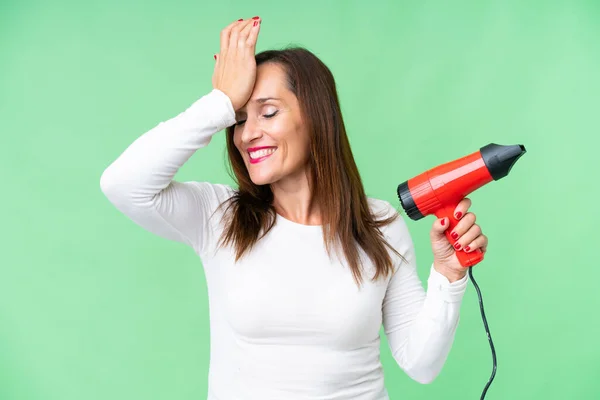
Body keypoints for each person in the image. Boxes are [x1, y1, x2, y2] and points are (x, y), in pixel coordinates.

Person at [100, 16, 488, 400]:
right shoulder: (219, 216)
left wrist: (448, 276)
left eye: (268, 112)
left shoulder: (380, 224)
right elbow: (123, 184)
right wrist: (218, 104)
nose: (247, 133)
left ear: (316, 117)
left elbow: (422, 364)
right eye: (238, 119)